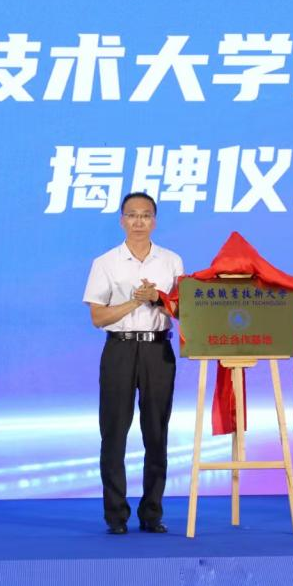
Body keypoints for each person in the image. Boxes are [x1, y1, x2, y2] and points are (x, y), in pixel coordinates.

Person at [83, 191, 184, 535]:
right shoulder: (105, 262)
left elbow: (184, 310)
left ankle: (152, 513)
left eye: (145, 215)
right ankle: (116, 516)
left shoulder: (171, 261)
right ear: (122, 220)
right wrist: (134, 302)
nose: (139, 221)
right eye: (132, 215)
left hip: (158, 350)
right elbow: (98, 317)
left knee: (156, 432)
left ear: (154, 220)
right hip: (120, 350)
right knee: (114, 432)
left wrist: (157, 298)